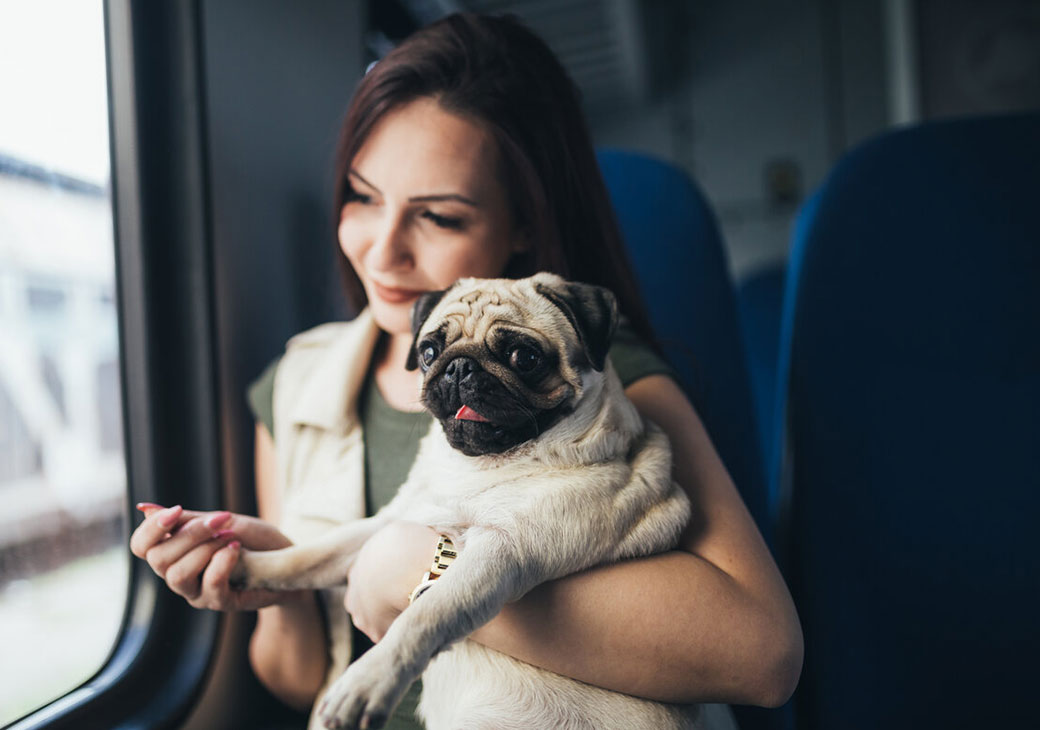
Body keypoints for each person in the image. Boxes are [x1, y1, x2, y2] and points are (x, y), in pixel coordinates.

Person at [129, 12, 802, 730]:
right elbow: (300, 685)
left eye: (439, 218)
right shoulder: (297, 388)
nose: (384, 251)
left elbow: (763, 656)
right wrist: (273, 581)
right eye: (361, 197)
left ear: (522, 223)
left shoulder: (607, 378)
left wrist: (414, 570)